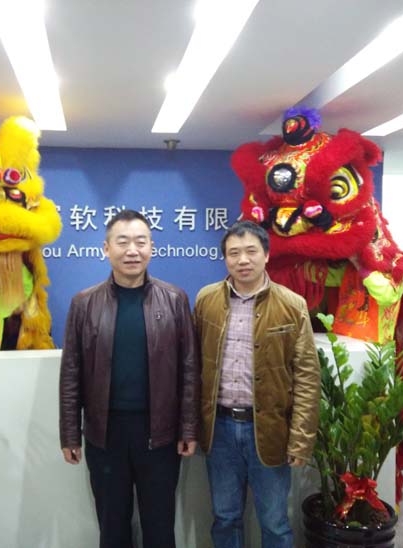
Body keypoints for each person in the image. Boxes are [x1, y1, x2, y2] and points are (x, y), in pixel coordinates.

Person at [59, 209, 200, 548]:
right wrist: (70, 433)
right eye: (122, 242)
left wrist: (188, 428)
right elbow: (71, 373)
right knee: (112, 526)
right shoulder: (84, 303)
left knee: (160, 526)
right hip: (104, 434)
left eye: (140, 242)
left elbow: (189, 369)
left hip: (160, 434)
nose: (132, 250)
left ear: (152, 247)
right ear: (106, 249)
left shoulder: (175, 299)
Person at [194, 220, 320, 548]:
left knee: (275, 522)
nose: (243, 260)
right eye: (234, 253)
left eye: (251, 251)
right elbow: (193, 367)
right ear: (225, 258)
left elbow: (307, 375)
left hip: (270, 429)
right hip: (219, 429)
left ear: (266, 254)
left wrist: (301, 439)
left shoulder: (292, 304)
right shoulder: (206, 300)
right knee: (225, 517)